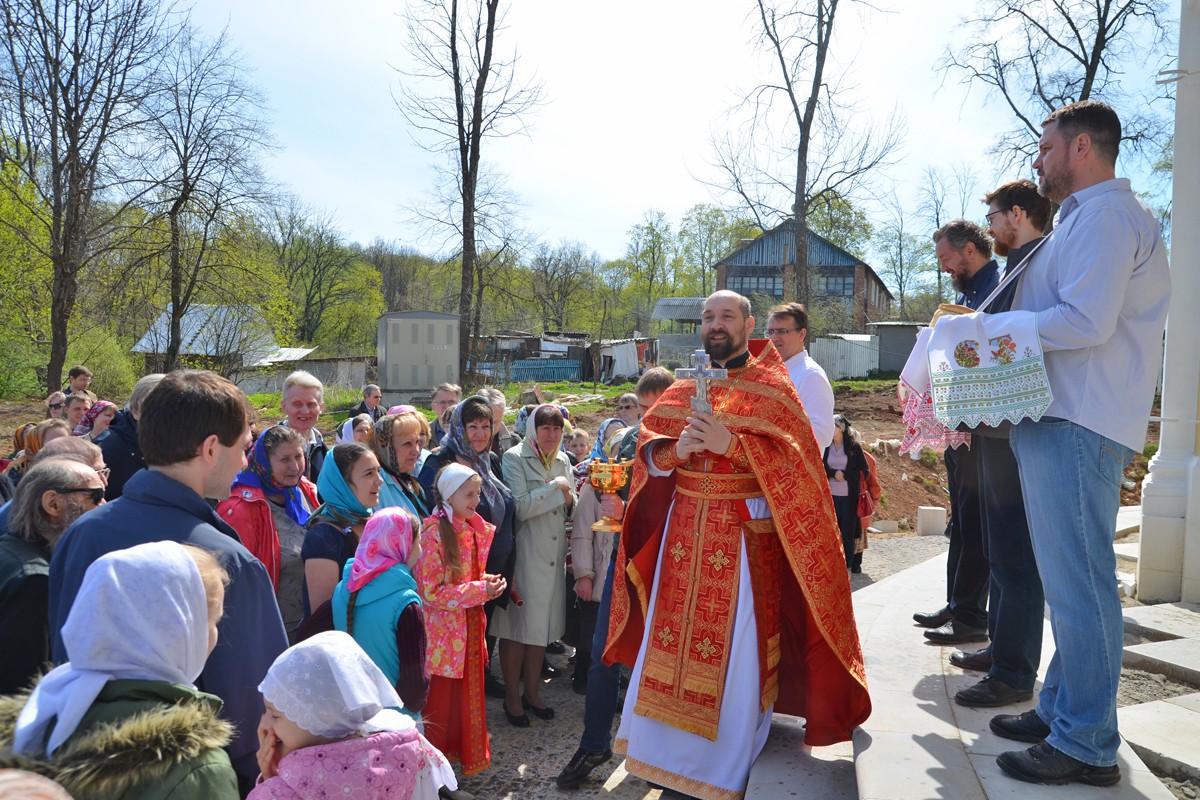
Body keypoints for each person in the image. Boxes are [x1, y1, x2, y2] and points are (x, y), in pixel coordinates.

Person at [603, 290, 869, 799]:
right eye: (708, 317)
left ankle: (719, 762)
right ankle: (661, 754)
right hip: (683, 539)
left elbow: (798, 466)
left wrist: (735, 446)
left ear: (750, 326)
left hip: (742, 542)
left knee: (736, 650)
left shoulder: (774, 387)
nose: (715, 324)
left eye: (727, 316)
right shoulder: (681, 388)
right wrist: (673, 451)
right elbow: (647, 454)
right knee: (671, 640)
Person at [985, 101, 1170, 786]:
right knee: (1070, 584)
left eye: (1045, 146)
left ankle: (1086, 740)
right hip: (1063, 412)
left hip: (1079, 416)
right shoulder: (1085, 218)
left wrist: (989, 341)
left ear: (1081, 146)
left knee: (1083, 585)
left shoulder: (1110, 216)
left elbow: (1086, 320)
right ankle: (1064, 706)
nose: (1037, 160)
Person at [48, 369, 288, 790]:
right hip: (195, 781)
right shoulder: (230, 561)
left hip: (77, 771)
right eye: (245, 448)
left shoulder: (80, 535)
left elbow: (62, 662)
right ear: (211, 448)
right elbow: (257, 716)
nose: (245, 462)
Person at [2, 541, 239, 799]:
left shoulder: (40, 713)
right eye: (213, 622)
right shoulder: (197, 767)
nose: (215, 635)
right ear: (180, 631)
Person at [950, 179, 1054, 707]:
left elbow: (1018, 338)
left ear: (1017, 213)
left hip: (1015, 425)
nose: (988, 227)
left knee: (1016, 553)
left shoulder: (1042, 260)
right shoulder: (1019, 264)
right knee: (998, 547)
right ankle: (1001, 645)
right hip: (992, 423)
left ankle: (1014, 671)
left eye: (992, 216)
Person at [555, 367, 674, 790]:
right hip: (624, 564)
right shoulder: (626, 441)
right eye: (641, 409)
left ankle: (661, 751)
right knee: (605, 652)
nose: (645, 420)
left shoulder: (687, 446)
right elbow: (610, 497)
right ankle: (594, 743)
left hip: (669, 568)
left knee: (659, 662)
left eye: (654, 409)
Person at [912, 220, 998, 645]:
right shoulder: (967, 294)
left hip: (983, 426)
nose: (945, 268)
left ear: (969, 250)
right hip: (959, 423)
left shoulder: (996, 287)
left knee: (977, 523)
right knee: (961, 521)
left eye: (947, 259)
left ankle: (970, 616)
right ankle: (957, 602)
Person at [249, 631, 456, 800]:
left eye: (275, 715)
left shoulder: (280, 793)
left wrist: (272, 780)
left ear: (319, 720)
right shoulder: (402, 750)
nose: (264, 722)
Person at [418, 396, 516, 695]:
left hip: (490, 571)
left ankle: (480, 683)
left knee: (483, 635)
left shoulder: (490, 460)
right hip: (456, 580)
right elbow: (431, 514)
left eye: (486, 426)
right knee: (454, 659)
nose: (479, 434)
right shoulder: (440, 462)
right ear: (459, 428)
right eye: (471, 426)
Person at [417, 464, 506, 780]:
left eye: (478, 492)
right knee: (440, 709)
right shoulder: (433, 534)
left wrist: (485, 583)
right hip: (444, 638)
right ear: (449, 495)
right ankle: (430, 780)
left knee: (462, 705)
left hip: (466, 631)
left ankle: (447, 776)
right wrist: (481, 589)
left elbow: (463, 580)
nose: (477, 500)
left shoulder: (469, 527)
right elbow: (431, 591)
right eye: (470, 494)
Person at [490, 404, 575, 726]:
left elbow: (572, 504)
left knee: (540, 630)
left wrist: (565, 495)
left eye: (557, 429)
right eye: (545, 428)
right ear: (532, 430)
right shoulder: (514, 457)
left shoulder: (564, 459)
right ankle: (513, 696)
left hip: (552, 556)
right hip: (525, 557)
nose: (552, 435)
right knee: (516, 631)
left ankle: (533, 693)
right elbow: (521, 507)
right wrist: (556, 488)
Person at [0, 458, 105, 695]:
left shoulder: (10, 551)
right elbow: (24, 687)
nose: (104, 505)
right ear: (53, 504)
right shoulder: (34, 580)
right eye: (95, 496)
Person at [217, 425, 319, 640]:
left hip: (314, 621)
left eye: (298, 456)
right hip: (273, 629)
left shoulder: (304, 491)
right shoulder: (240, 508)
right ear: (264, 462)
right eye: (284, 459)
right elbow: (233, 584)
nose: (294, 466)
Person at [332, 507, 427, 719]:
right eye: (418, 543)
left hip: (353, 716)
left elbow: (309, 634)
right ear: (400, 545)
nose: (420, 551)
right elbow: (414, 689)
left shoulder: (342, 590)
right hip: (396, 723)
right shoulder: (406, 603)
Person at [567, 423, 628, 694]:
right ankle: (583, 676)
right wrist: (584, 575)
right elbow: (581, 534)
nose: (620, 457)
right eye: (616, 450)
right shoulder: (596, 485)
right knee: (590, 633)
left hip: (625, 575)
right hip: (598, 573)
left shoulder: (640, 486)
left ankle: (611, 682)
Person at [302, 443, 382, 620]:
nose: (380, 480)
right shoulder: (323, 537)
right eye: (369, 473)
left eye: (378, 471)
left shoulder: (374, 521)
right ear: (341, 484)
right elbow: (323, 616)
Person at [765, 302, 835, 450]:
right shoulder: (774, 371)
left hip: (797, 471)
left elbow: (823, 435)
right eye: (770, 332)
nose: (774, 338)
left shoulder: (810, 375)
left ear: (801, 334)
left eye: (782, 331)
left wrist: (770, 417)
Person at [98, 372, 166, 500]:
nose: (164, 414)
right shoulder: (105, 449)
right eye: (154, 407)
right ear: (135, 410)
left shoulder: (182, 445)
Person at [824, 414, 871, 571]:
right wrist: (833, 473)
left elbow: (865, 471)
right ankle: (832, 563)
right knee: (831, 531)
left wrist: (846, 475)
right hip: (830, 496)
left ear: (841, 429)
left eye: (834, 426)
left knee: (847, 532)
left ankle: (848, 565)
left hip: (848, 497)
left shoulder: (853, 447)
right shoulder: (825, 447)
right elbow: (820, 467)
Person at [371, 412, 434, 519]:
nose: (416, 451)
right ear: (386, 447)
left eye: (417, 443)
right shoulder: (376, 486)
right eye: (407, 444)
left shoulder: (412, 483)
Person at [281, 370, 328, 482]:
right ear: (284, 406)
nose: (305, 411)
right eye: (297, 404)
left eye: (311, 404)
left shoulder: (321, 448)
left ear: (321, 408)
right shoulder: (268, 446)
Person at [3, 419, 71, 485]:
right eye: (52, 442)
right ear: (36, 443)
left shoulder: (73, 468)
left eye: (64, 441)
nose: (60, 447)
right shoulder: (19, 471)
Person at [477, 386, 518, 456]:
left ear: (503, 416)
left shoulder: (514, 442)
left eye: (494, 422)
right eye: (484, 422)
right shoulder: (459, 442)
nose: (490, 427)